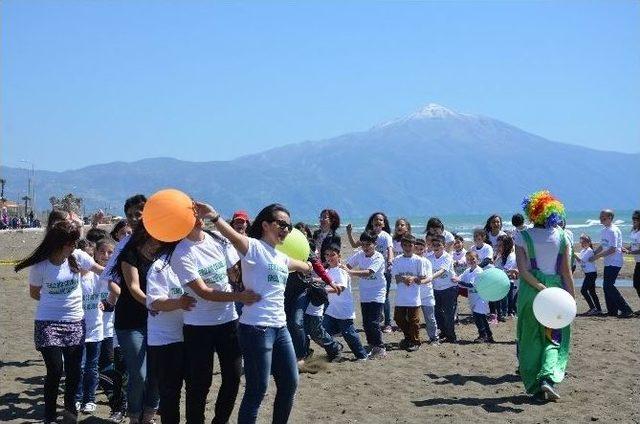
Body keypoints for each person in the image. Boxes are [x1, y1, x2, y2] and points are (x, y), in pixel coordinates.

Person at [197, 202, 316, 424]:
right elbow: (232, 236)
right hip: (256, 329)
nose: (286, 230)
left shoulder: (280, 257)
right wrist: (214, 216)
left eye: (289, 226)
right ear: (265, 225)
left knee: (290, 383)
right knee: (257, 390)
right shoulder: (253, 247)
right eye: (281, 224)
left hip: (281, 329)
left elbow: (299, 264)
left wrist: (310, 266)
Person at [169, 212, 260, 424]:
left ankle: (220, 421)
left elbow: (233, 270)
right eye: (190, 215)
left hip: (228, 320)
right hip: (198, 326)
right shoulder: (181, 253)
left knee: (233, 377)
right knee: (199, 383)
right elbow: (203, 292)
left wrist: (238, 276)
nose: (197, 218)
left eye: (196, 213)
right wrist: (239, 296)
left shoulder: (216, 238)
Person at [15, 221, 103, 424]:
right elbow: (34, 293)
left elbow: (101, 270)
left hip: (75, 322)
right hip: (48, 323)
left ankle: (70, 412)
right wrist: (54, 303)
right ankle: (49, 413)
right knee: (55, 369)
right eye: (72, 242)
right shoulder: (41, 266)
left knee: (74, 371)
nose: (75, 246)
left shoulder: (78, 257)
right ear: (60, 243)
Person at [515, 190, 575, 403]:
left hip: (531, 293)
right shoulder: (562, 236)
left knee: (530, 337)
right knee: (554, 337)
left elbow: (523, 270)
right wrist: (572, 299)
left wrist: (540, 287)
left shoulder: (522, 236)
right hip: (557, 293)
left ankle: (534, 382)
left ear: (532, 213)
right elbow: (566, 272)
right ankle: (547, 378)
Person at [110, 225, 162, 424]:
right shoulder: (130, 254)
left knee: (156, 372)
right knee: (139, 374)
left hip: (159, 321)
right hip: (130, 321)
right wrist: (153, 303)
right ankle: (134, 417)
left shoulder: (164, 254)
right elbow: (133, 287)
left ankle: (148, 416)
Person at [146, 253, 197, 424]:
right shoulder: (160, 267)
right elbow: (155, 302)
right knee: (170, 393)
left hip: (193, 335)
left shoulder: (193, 262)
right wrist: (180, 303)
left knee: (196, 389)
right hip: (165, 339)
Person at [346, 212, 394, 333]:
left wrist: (390, 260)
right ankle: (378, 315)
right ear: (372, 222)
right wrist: (349, 233)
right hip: (368, 268)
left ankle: (387, 323)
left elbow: (390, 249)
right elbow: (354, 245)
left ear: (384, 223)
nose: (378, 221)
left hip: (383, 268)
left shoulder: (385, 236)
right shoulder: (367, 235)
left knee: (385, 297)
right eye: (375, 219)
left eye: (381, 220)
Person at [344, 230, 388, 359]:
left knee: (373, 322)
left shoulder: (378, 257)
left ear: (374, 244)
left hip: (378, 292)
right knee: (366, 322)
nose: (365, 247)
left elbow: (369, 272)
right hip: (365, 293)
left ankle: (380, 347)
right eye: (363, 244)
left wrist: (351, 272)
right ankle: (372, 345)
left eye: (368, 244)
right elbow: (347, 264)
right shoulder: (359, 254)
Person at [322, 244, 368, 361]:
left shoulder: (341, 271)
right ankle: (336, 348)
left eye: (332, 255)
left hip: (343, 309)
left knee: (349, 333)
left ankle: (362, 355)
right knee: (323, 331)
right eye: (327, 255)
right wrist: (312, 280)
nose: (329, 257)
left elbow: (340, 289)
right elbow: (324, 279)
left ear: (339, 256)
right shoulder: (328, 270)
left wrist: (323, 290)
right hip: (332, 309)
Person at [589, 209, 634, 318]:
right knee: (606, 286)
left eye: (603, 218)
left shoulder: (613, 230)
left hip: (615, 261)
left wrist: (597, 256)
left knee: (608, 286)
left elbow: (613, 249)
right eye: (600, 217)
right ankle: (612, 311)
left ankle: (626, 309)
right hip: (608, 262)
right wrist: (594, 252)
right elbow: (603, 245)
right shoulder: (604, 230)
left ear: (610, 218)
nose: (601, 219)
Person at [391, 234, 427, 352]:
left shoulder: (419, 260)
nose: (407, 247)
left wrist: (413, 279)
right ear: (401, 246)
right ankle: (409, 337)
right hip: (401, 296)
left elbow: (422, 278)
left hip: (414, 297)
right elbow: (396, 277)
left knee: (414, 320)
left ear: (414, 246)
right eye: (405, 245)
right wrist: (404, 279)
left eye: (410, 245)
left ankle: (415, 341)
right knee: (398, 318)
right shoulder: (397, 260)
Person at [452, 251, 493, 343]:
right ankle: (489, 335)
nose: (471, 261)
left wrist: (458, 281)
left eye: (473, 259)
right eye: (468, 259)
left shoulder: (479, 271)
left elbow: (471, 285)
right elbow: (460, 278)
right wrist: (455, 278)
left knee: (479, 317)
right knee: (481, 317)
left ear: (478, 260)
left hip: (481, 298)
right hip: (473, 297)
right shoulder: (467, 270)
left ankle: (483, 335)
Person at [429, 235, 457, 343]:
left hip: (449, 288)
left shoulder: (447, 257)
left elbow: (442, 271)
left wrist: (430, 277)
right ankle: (443, 332)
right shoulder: (429, 258)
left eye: (439, 245)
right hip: (436, 289)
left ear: (444, 246)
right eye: (434, 245)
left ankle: (451, 336)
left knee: (448, 313)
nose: (436, 247)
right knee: (437, 313)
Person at [414, 240, 437, 344]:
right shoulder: (411, 261)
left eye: (421, 249)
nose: (419, 251)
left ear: (425, 249)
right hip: (414, 295)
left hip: (427, 294)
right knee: (414, 319)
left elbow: (428, 278)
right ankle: (414, 339)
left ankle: (434, 338)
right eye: (417, 249)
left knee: (430, 318)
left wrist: (418, 280)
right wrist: (417, 278)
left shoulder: (427, 262)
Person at [575, 234, 601, 315]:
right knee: (592, 292)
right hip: (588, 274)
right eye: (581, 242)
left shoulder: (589, 250)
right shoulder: (583, 251)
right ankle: (597, 309)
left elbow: (581, 260)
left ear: (589, 242)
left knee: (583, 290)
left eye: (585, 241)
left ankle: (593, 308)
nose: (583, 243)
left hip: (591, 274)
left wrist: (573, 253)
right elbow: (579, 260)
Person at [494, 234, 518, 321]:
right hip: (500, 279)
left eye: (501, 245)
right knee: (499, 297)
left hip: (508, 281)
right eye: (498, 245)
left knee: (505, 298)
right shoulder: (500, 255)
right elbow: (495, 265)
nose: (498, 247)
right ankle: (500, 314)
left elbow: (507, 270)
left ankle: (505, 313)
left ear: (507, 246)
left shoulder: (511, 256)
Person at [622, 210, 640, 300]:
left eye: (636, 219)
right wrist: (626, 249)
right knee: (636, 284)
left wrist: (630, 252)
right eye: (633, 218)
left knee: (637, 284)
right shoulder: (635, 231)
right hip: (638, 262)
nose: (634, 220)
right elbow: (634, 245)